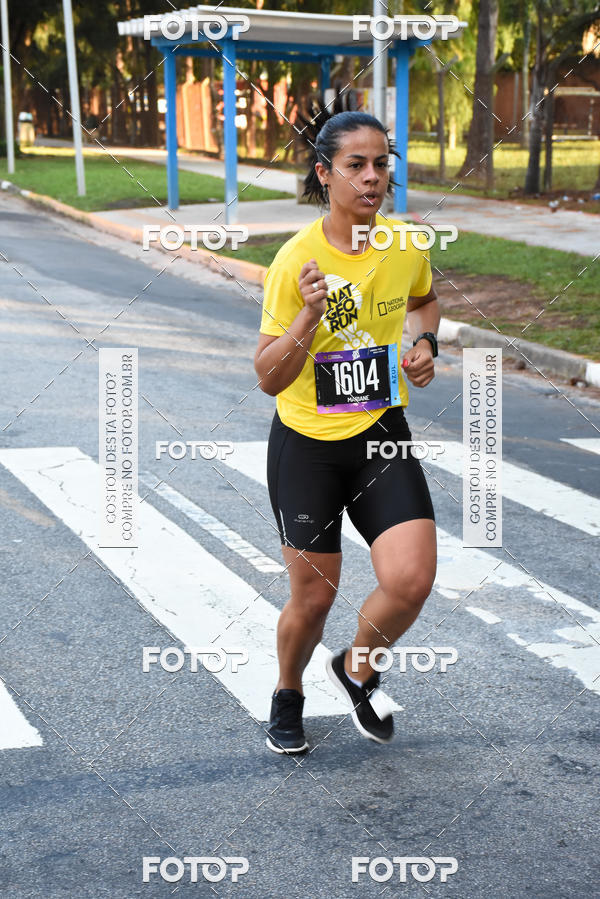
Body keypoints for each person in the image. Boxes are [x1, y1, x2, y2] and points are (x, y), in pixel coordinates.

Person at [254, 102, 440, 754]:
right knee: (314, 595)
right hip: (307, 445)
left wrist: (426, 345)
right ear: (324, 173)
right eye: (355, 165)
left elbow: (423, 301)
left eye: (380, 164)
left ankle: (357, 665)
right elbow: (268, 377)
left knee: (412, 579)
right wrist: (307, 317)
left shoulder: (405, 242)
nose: (370, 177)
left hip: (380, 433)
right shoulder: (295, 261)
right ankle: (288, 690)